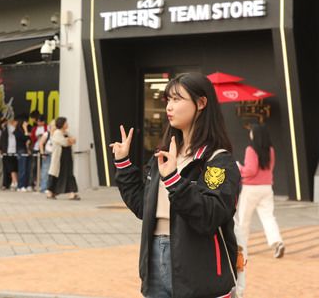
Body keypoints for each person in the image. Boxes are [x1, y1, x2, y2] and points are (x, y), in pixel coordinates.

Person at [110, 72, 241, 298]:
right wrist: (123, 163)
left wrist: (174, 180)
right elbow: (144, 207)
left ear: (201, 103)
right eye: (168, 100)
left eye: (177, 99)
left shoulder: (217, 160)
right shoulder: (164, 155)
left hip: (198, 265)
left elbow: (210, 215)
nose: (169, 107)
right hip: (154, 258)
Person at [234, 123, 284, 297]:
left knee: (244, 220)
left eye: (251, 133)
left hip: (251, 189)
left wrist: (239, 168)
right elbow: (269, 169)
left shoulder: (251, 149)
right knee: (268, 217)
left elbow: (250, 171)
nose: (250, 135)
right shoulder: (271, 150)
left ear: (255, 134)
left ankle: (243, 248)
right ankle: (277, 242)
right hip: (266, 188)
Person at [46, 117, 80, 200]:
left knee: (69, 174)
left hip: (67, 157)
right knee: (55, 174)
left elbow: (74, 140)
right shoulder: (57, 133)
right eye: (65, 123)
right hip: (59, 158)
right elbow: (64, 142)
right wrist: (69, 140)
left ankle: (72, 193)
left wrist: (69, 140)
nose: (67, 124)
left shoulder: (67, 132)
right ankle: (50, 192)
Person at [0, 117, 19, 189]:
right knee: (8, 167)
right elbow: (1, 139)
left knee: (14, 167)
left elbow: (18, 135)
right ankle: (12, 182)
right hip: (7, 150)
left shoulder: (18, 128)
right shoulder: (5, 128)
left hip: (16, 150)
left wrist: (15, 127)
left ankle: (14, 182)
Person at [15, 115, 31, 192]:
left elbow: (28, 139)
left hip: (26, 150)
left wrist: (26, 132)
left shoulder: (25, 130)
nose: (27, 124)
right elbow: (25, 138)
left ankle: (26, 184)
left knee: (27, 168)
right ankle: (20, 185)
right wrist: (25, 130)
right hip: (20, 150)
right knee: (22, 168)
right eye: (25, 122)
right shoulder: (17, 131)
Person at [39, 120, 55, 193]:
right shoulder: (46, 134)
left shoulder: (58, 134)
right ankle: (44, 187)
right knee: (45, 171)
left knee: (54, 172)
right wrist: (42, 153)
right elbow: (41, 143)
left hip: (55, 154)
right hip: (48, 154)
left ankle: (53, 188)